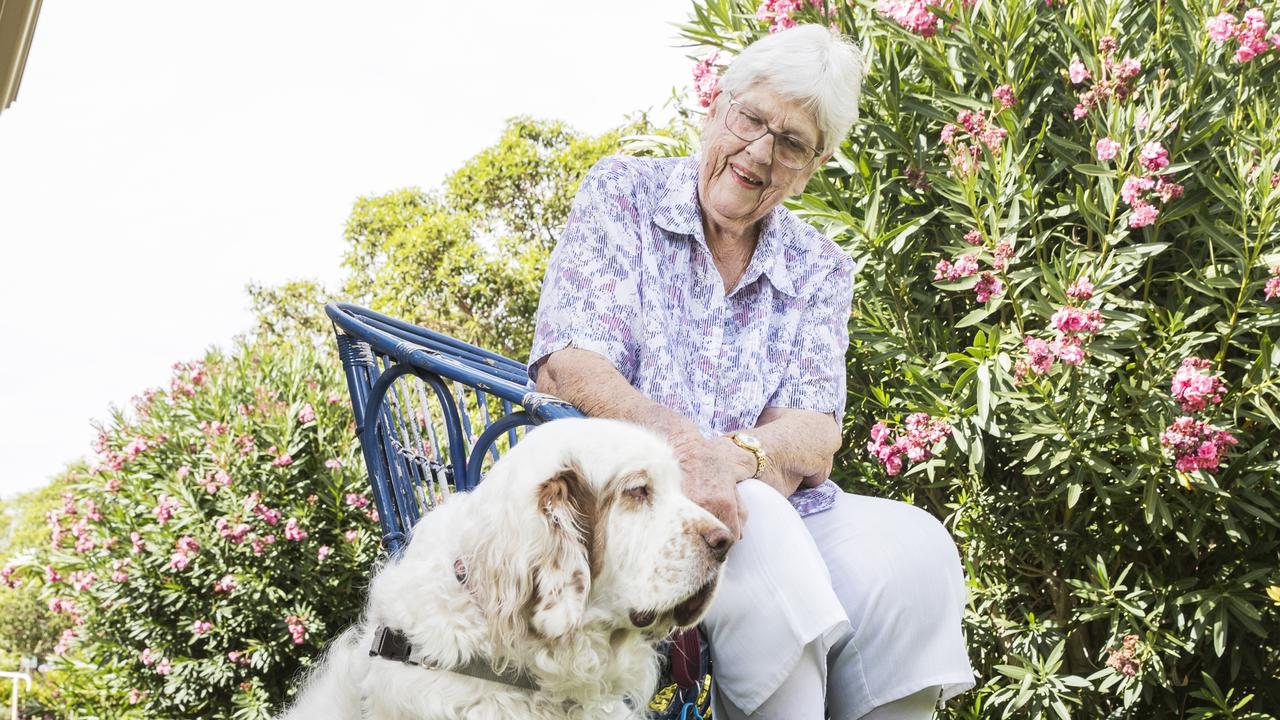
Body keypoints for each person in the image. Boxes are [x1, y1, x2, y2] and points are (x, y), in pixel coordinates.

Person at [527, 24, 973, 720]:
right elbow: (571, 363)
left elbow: (814, 428)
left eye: (791, 143)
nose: (759, 153)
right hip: (629, 510)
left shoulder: (819, 265)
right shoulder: (625, 194)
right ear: (717, 107)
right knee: (762, 535)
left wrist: (734, 458)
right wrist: (677, 447)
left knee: (914, 552)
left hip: (765, 497)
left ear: (814, 165)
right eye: (752, 119)